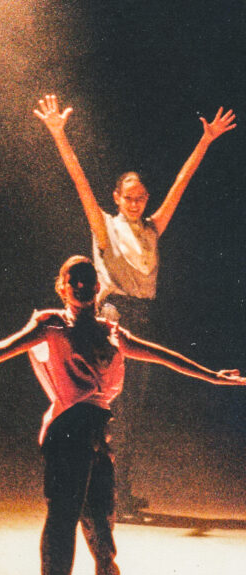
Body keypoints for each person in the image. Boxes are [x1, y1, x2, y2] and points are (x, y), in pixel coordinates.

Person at [0, 256, 245, 575]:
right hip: (67, 430)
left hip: (96, 432)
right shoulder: (51, 324)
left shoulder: (111, 332)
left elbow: (162, 355)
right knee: (63, 520)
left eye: (87, 279)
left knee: (102, 514)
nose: (80, 286)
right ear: (61, 287)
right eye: (72, 280)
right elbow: (3, 348)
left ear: (98, 287)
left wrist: (212, 376)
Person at [33, 93, 236, 514]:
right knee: (108, 406)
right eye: (128, 197)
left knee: (132, 413)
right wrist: (58, 133)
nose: (135, 202)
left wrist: (205, 141)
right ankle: (104, 491)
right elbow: (80, 182)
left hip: (143, 317)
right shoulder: (105, 227)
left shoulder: (151, 229)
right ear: (116, 197)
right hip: (113, 316)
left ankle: (118, 489)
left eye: (141, 197)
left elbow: (180, 185)